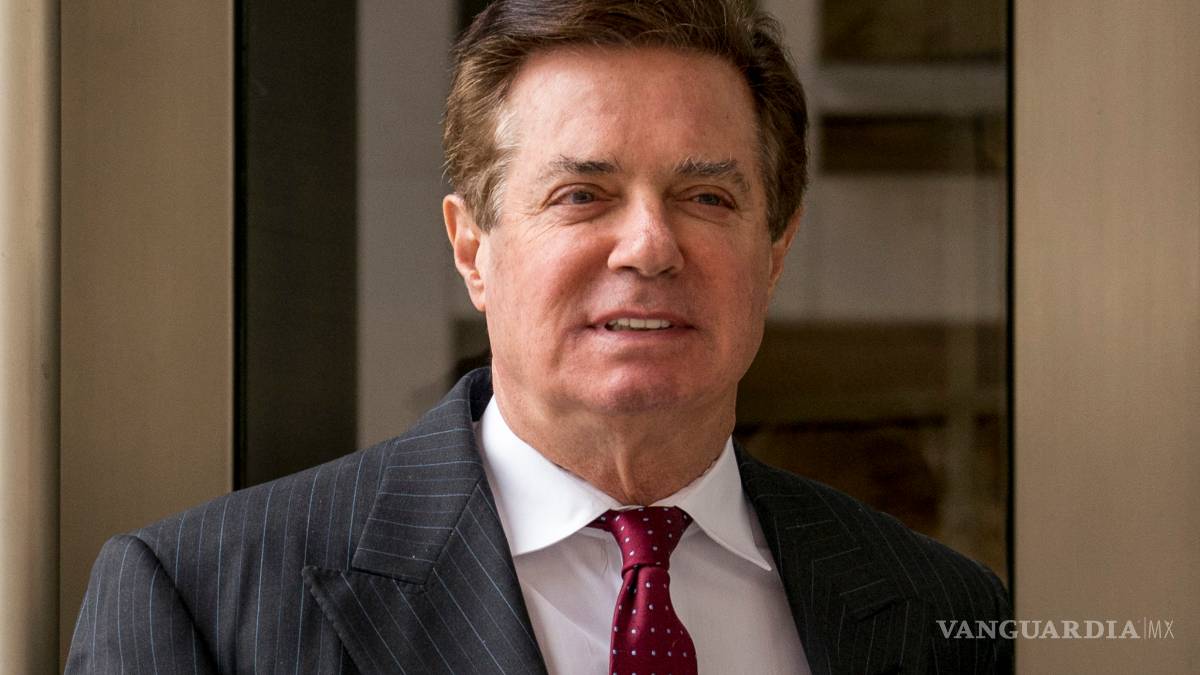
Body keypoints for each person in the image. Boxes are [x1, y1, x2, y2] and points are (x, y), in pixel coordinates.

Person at [66, 1, 1012, 673]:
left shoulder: (947, 616)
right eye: (581, 195)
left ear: (775, 252)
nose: (650, 246)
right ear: (471, 248)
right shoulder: (205, 603)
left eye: (706, 196)